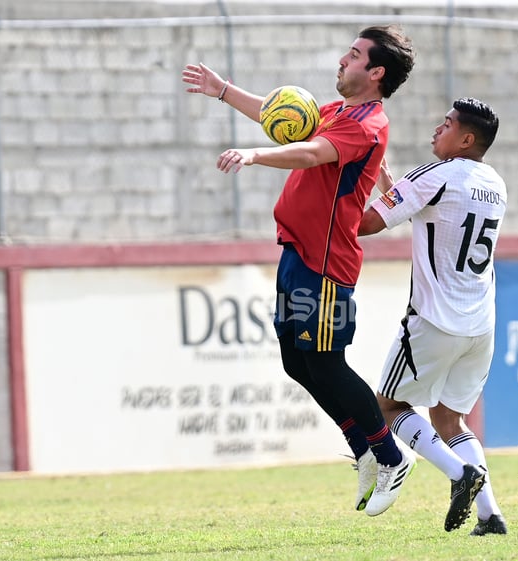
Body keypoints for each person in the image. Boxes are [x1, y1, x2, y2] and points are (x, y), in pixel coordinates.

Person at [182, 25, 416, 517]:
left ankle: (392, 457)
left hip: (326, 261)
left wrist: (253, 155)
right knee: (296, 363)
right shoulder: (338, 111)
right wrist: (222, 90)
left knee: (326, 364)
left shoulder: (368, 122)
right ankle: (364, 451)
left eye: (353, 56)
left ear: (375, 73)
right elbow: (278, 116)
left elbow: (311, 152)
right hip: (296, 253)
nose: (342, 60)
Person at [358, 98, 508, 534]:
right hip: (480, 325)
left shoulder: (434, 174)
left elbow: (369, 223)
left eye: (445, 124)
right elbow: (440, 217)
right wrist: (398, 187)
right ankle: (490, 514)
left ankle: (459, 473)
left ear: (465, 139)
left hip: (434, 320)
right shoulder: (495, 183)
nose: (435, 130)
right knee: (449, 419)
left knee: (386, 408)